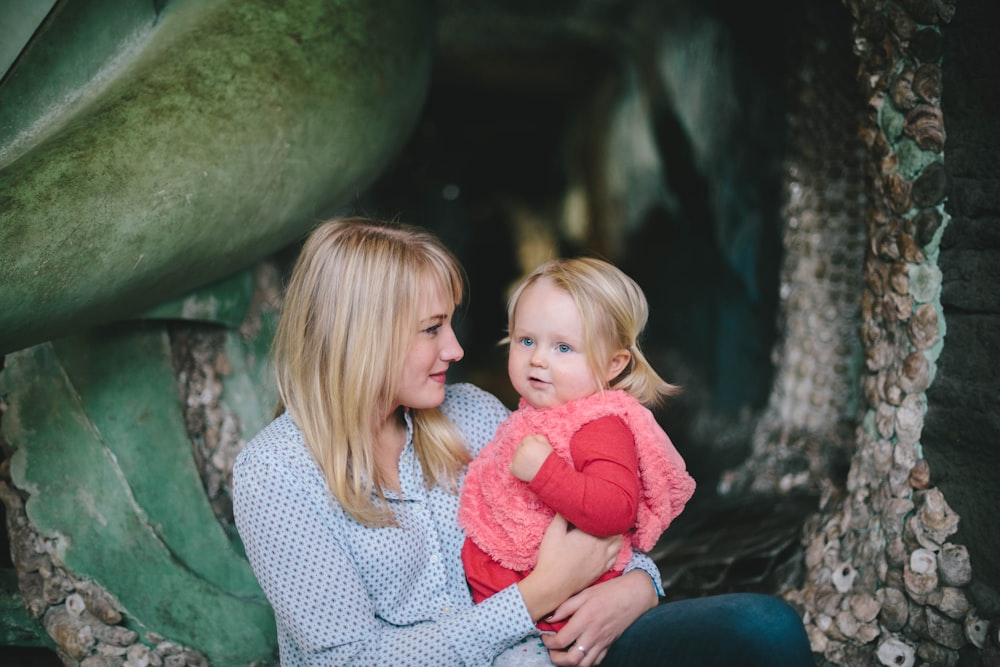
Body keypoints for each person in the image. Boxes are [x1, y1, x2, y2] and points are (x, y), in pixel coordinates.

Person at [232, 215, 816, 667]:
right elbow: (349, 661)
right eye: (432, 330)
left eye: (451, 325)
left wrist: (639, 589)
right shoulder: (275, 473)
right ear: (363, 338)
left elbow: (590, 519)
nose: (457, 351)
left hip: (549, 649)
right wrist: (536, 597)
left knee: (764, 629)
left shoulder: (478, 415)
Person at [456, 257, 697, 665]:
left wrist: (545, 472)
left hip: (562, 620)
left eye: (563, 347)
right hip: (514, 610)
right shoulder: (530, 416)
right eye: (526, 340)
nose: (538, 359)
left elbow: (615, 510)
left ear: (613, 364)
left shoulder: (599, 424)